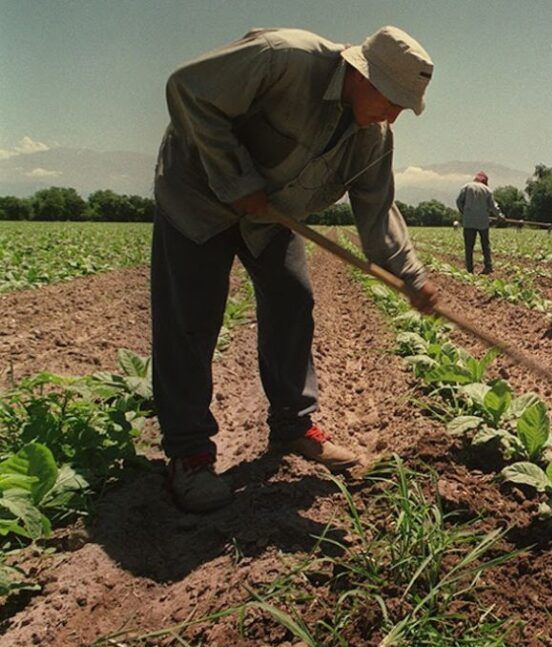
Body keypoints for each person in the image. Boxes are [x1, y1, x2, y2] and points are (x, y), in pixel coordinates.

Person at [152, 26, 439, 513]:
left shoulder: (373, 135)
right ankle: (190, 454)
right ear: (359, 74)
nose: (394, 114)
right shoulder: (282, 58)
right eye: (391, 99)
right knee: (191, 320)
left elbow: (376, 210)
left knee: (292, 300)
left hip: (270, 217)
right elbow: (187, 89)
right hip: (198, 199)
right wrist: (235, 176)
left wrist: (412, 277)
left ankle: (292, 425)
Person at [456, 171, 504, 274]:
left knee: (469, 246)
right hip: (483, 221)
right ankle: (488, 266)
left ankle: (469, 269)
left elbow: (459, 201)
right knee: (485, 245)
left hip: (469, 221)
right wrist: (500, 216)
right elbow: (493, 206)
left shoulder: (466, 187)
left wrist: (464, 212)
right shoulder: (487, 190)